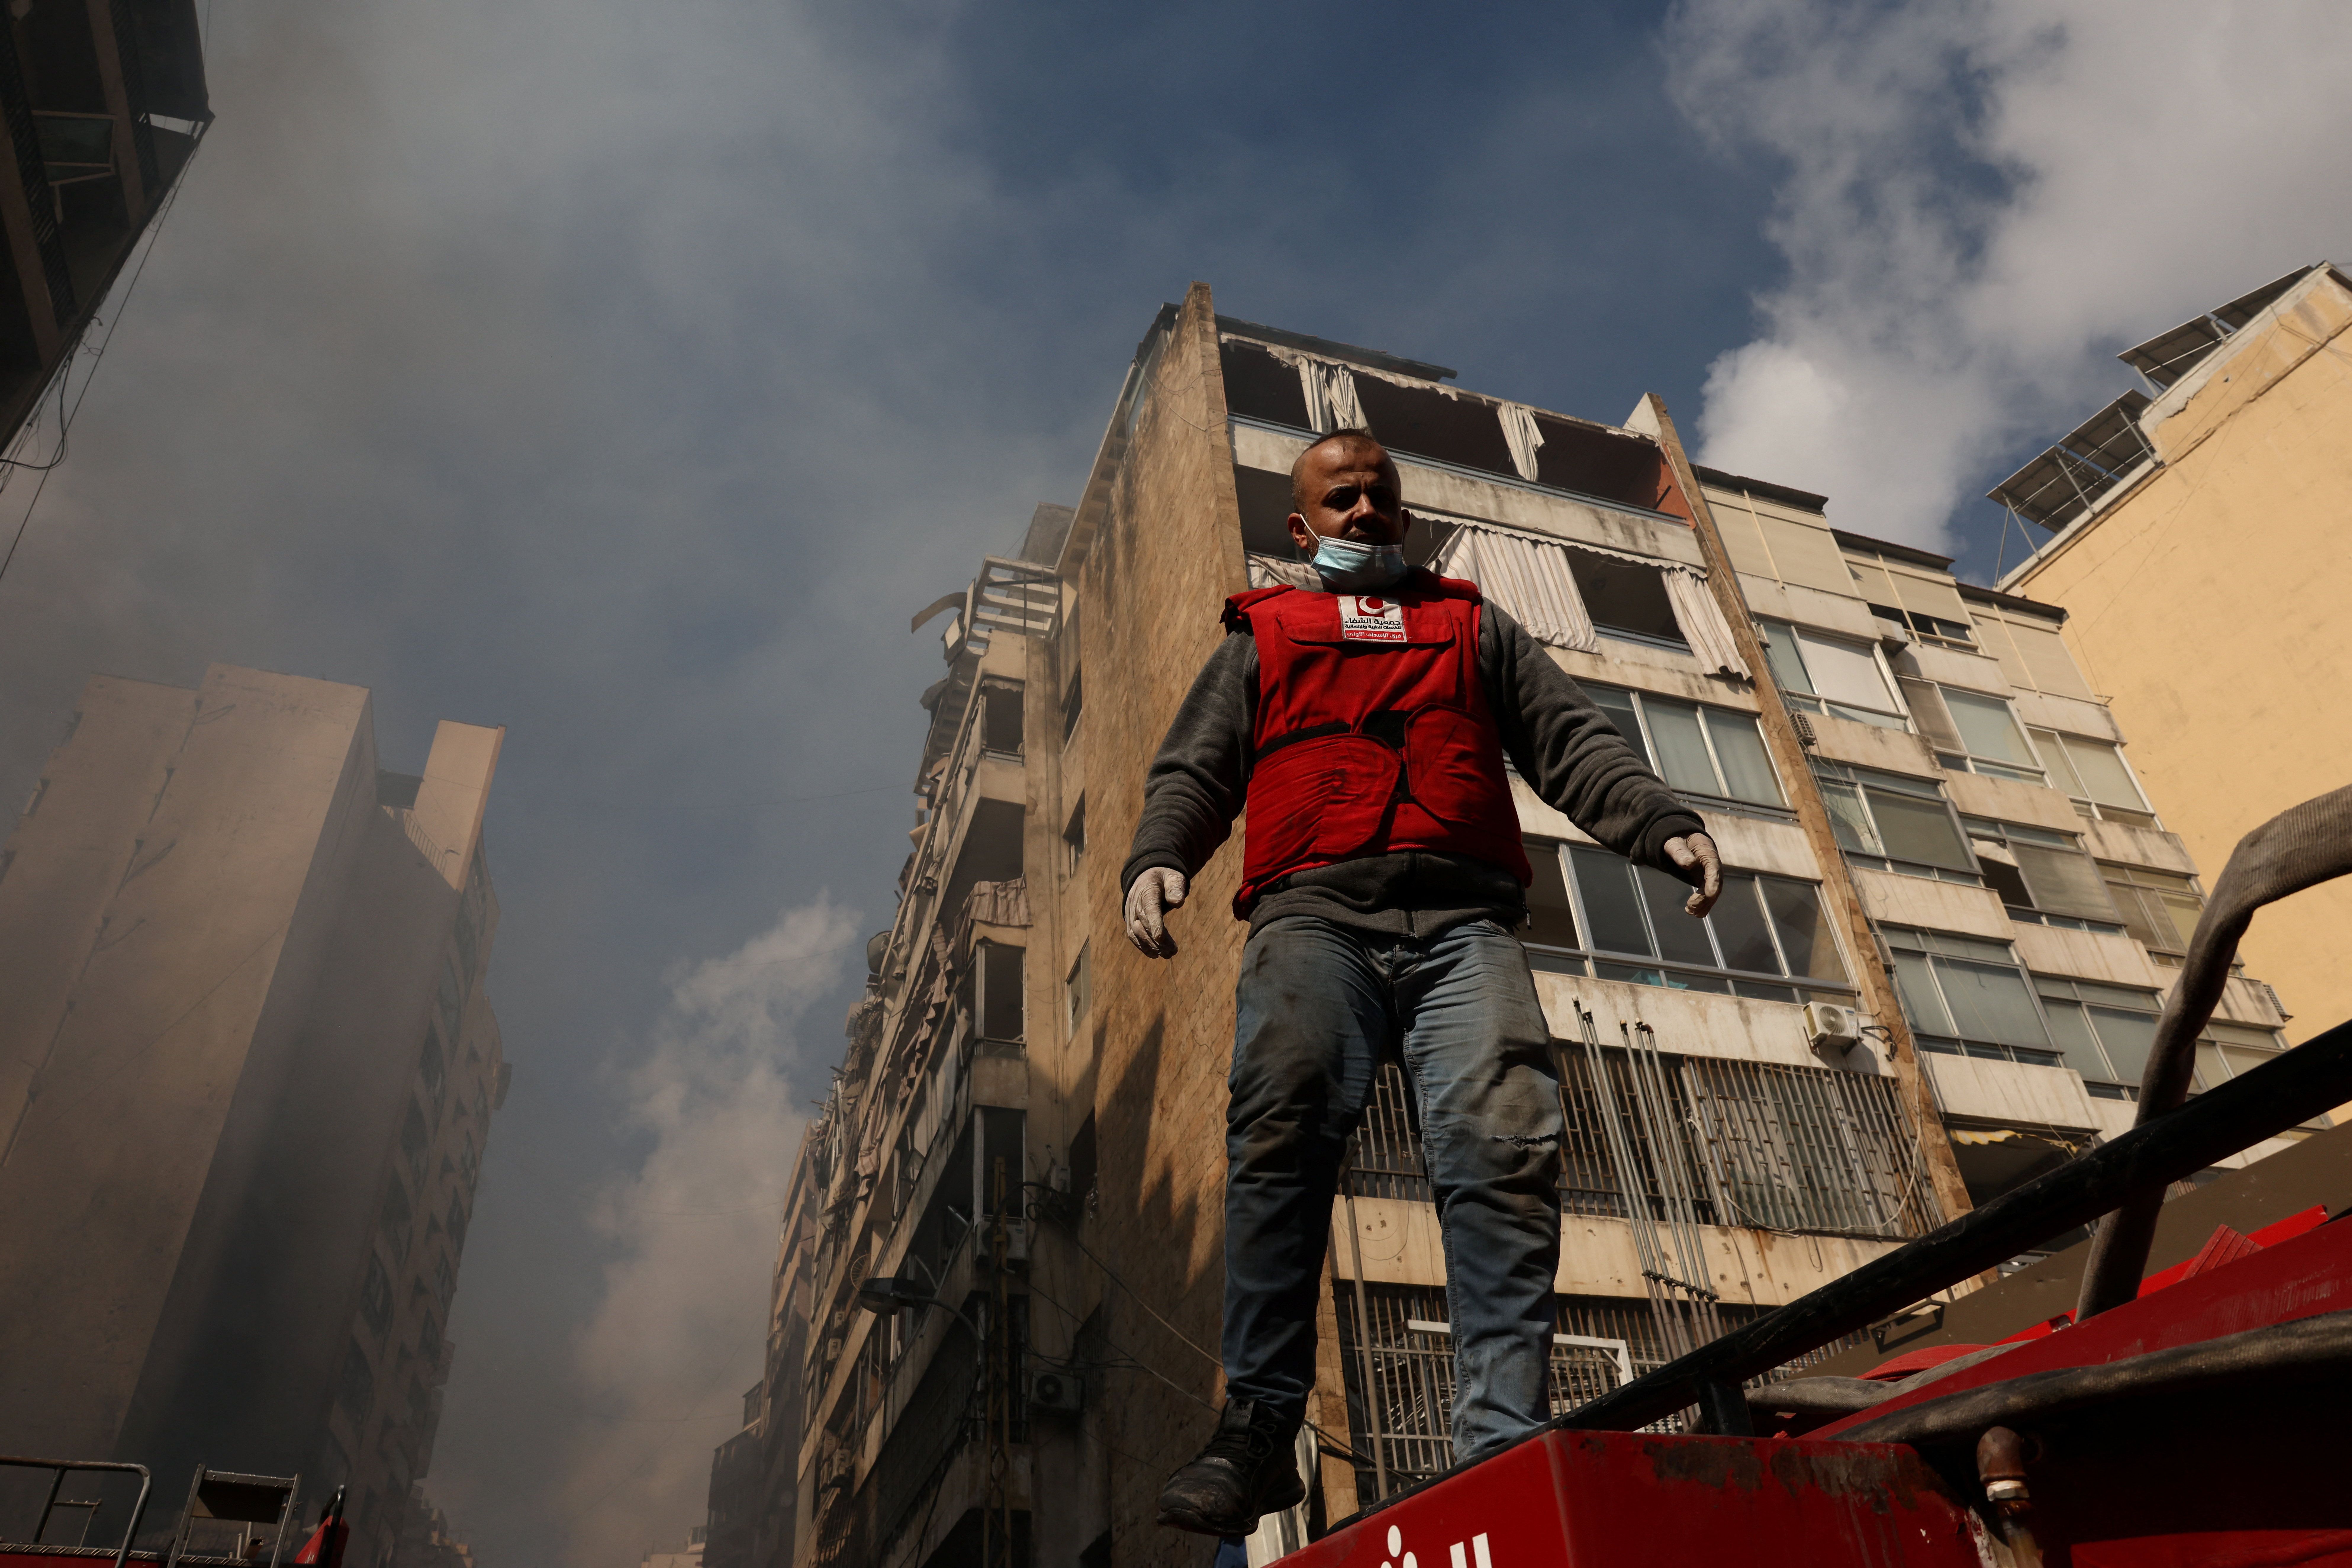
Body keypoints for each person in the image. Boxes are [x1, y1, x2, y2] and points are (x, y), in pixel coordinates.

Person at [1122, 429, 1723, 1535]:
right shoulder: (1264, 634)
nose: (1363, 510)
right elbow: (1194, 767)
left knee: (1504, 1148)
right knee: (1278, 1129)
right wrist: (1160, 856)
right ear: (1300, 527)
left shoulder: (1473, 627)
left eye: (1378, 495)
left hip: (1463, 928)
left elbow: (1571, 741)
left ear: (1402, 513)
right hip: (1313, 919)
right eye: (1339, 499)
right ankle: (1259, 1429)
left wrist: (1658, 821)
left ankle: (1499, 1434)